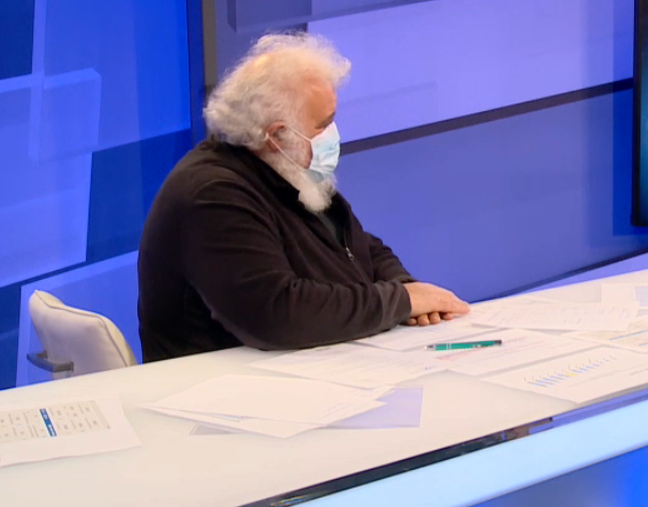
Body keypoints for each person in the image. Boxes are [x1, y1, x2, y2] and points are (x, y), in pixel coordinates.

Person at [138, 32, 468, 362]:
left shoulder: (287, 169)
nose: (333, 135)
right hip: (220, 386)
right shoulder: (212, 197)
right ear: (276, 135)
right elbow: (277, 314)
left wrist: (405, 287)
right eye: (324, 124)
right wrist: (401, 301)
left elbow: (358, 247)